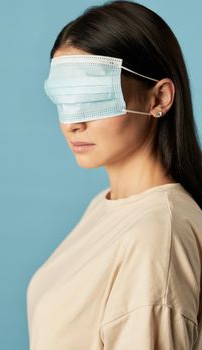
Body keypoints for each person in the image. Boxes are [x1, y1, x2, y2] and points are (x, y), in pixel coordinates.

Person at [26, 1, 202, 349]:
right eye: (64, 99)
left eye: (92, 99)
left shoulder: (156, 235)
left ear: (160, 98)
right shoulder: (107, 206)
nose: (73, 123)